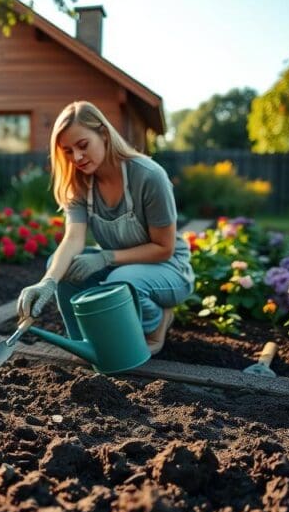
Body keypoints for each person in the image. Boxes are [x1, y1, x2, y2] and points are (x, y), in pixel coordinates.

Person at [17, 101, 194, 354]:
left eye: (83, 145)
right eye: (67, 151)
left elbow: (164, 249)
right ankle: (86, 342)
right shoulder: (79, 184)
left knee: (120, 281)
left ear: (103, 133)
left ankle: (157, 322)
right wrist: (48, 282)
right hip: (119, 268)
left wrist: (106, 257)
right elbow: (73, 239)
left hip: (168, 270)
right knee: (62, 266)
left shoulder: (148, 176)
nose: (76, 157)